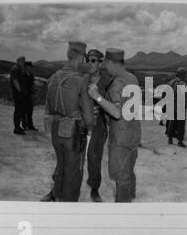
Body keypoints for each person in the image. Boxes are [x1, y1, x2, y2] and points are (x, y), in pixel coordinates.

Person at [87, 48, 140, 203]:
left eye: (105, 63)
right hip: (134, 133)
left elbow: (117, 113)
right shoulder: (132, 78)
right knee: (129, 171)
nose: (105, 67)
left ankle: (123, 210)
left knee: (121, 177)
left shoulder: (117, 82)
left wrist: (97, 97)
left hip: (121, 136)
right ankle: (131, 196)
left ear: (111, 62)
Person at [43, 41, 94, 202]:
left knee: (61, 166)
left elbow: (48, 108)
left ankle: (57, 196)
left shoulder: (52, 78)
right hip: (74, 133)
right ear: (81, 58)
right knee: (74, 172)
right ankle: (69, 208)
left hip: (56, 131)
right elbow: (88, 118)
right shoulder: (81, 81)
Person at [85, 49, 111, 202]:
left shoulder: (107, 82)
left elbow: (112, 105)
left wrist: (100, 106)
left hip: (98, 126)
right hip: (80, 124)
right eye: (88, 59)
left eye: (93, 60)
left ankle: (94, 188)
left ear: (100, 62)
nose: (90, 63)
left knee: (95, 158)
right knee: (73, 156)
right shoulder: (82, 79)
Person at [166, 67, 187, 148]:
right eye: (184, 74)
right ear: (182, 75)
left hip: (172, 104)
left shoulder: (170, 82)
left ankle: (170, 139)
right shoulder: (182, 83)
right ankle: (180, 141)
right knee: (181, 124)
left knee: (172, 123)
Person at [10, 56, 27, 135]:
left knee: (20, 110)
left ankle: (18, 127)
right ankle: (17, 127)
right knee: (18, 110)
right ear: (18, 61)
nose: (24, 63)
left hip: (19, 92)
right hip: (18, 93)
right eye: (23, 61)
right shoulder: (15, 69)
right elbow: (15, 81)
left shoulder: (18, 69)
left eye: (24, 61)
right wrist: (20, 91)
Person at [21, 61, 38, 131]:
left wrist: (33, 88)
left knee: (30, 111)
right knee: (24, 111)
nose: (30, 68)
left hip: (29, 94)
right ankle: (24, 126)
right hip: (23, 94)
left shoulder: (31, 75)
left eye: (31, 66)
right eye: (29, 66)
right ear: (26, 67)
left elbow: (33, 83)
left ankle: (30, 126)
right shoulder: (22, 75)